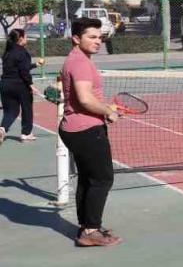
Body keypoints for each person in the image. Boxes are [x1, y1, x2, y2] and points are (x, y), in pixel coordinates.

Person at [59, 18, 122, 247]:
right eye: (92, 37)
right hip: (85, 129)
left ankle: (87, 226)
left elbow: (83, 97)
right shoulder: (80, 62)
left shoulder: (78, 59)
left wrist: (106, 109)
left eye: (99, 37)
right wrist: (108, 112)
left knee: (87, 179)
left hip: (76, 127)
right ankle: (91, 230)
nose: (98, 41)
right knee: (102, 179)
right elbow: (85, 99)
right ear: (76, 38)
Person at [1, 29, 45, 144]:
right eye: (25, 37)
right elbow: (24, 72)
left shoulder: (7, 53)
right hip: (20, 85)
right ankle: (26, 133)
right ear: (20, 39)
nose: (26, 39)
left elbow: (20, 68)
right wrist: (31, 86)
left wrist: (36, 64)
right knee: (26, 109)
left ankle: (2, 129)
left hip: (5, 84)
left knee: (10, 111)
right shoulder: (23, 52)